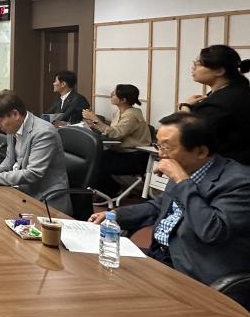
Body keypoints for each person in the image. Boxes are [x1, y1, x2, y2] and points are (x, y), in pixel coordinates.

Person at [90, 113, 250, 286]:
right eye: (158, 146)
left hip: (193, 273)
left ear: (201, 152)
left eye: (167, 148)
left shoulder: (239, 182)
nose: (160, 154)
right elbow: (159, 206)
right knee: (92, 274)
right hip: (159, 257)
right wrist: (116, 215)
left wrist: (182, 181)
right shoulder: (185, 168)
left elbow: (212, 231)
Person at [0, 90, 72, 214]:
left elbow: (33, 173)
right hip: (23, 194)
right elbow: (9, 162)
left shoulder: (43, 132)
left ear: (15, 114)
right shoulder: (13, 128)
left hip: (47, 202)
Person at [178, 44, 250, 164]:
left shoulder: (221, 102)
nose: (193, 68)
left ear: (219, 71)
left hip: (226, 168)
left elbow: (182, 133)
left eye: (199, 64)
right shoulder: (239, 89)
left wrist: (185, 107)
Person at [82, 84, 152, 192]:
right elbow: (111, 131)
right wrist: (94, 125)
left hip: (134, 156)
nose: (111, 94)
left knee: (97, 163)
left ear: (123, 100)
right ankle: (104, 190)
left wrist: (96, 119)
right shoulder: (119, 112)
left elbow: (115, 134)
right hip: (120, 152)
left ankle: (112, 191)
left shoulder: (132, 115)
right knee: (91, 158)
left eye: (114, 94)